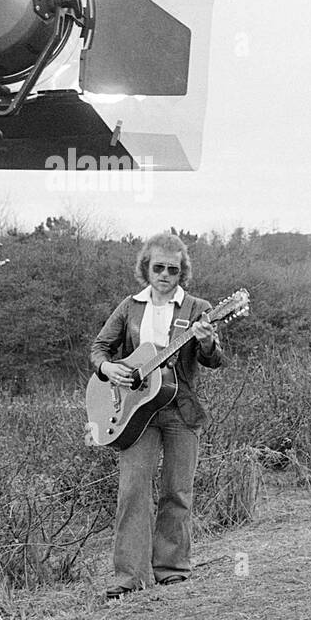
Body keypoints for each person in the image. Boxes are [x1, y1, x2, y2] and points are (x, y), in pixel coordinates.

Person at [90, 232, 224, 601]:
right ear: (145, 269)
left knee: (177, 490)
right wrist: (107, 369)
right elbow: (100, 347)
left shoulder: (198, 308)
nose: (165, 274)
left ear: (183, 272)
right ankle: (129, 576)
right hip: (135, 412)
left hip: (181, 409)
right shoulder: (130, 306)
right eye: (158, 267)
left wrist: (207, 341)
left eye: (173, 269)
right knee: (133, 490)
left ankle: (172, 569)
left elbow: (215, 360)